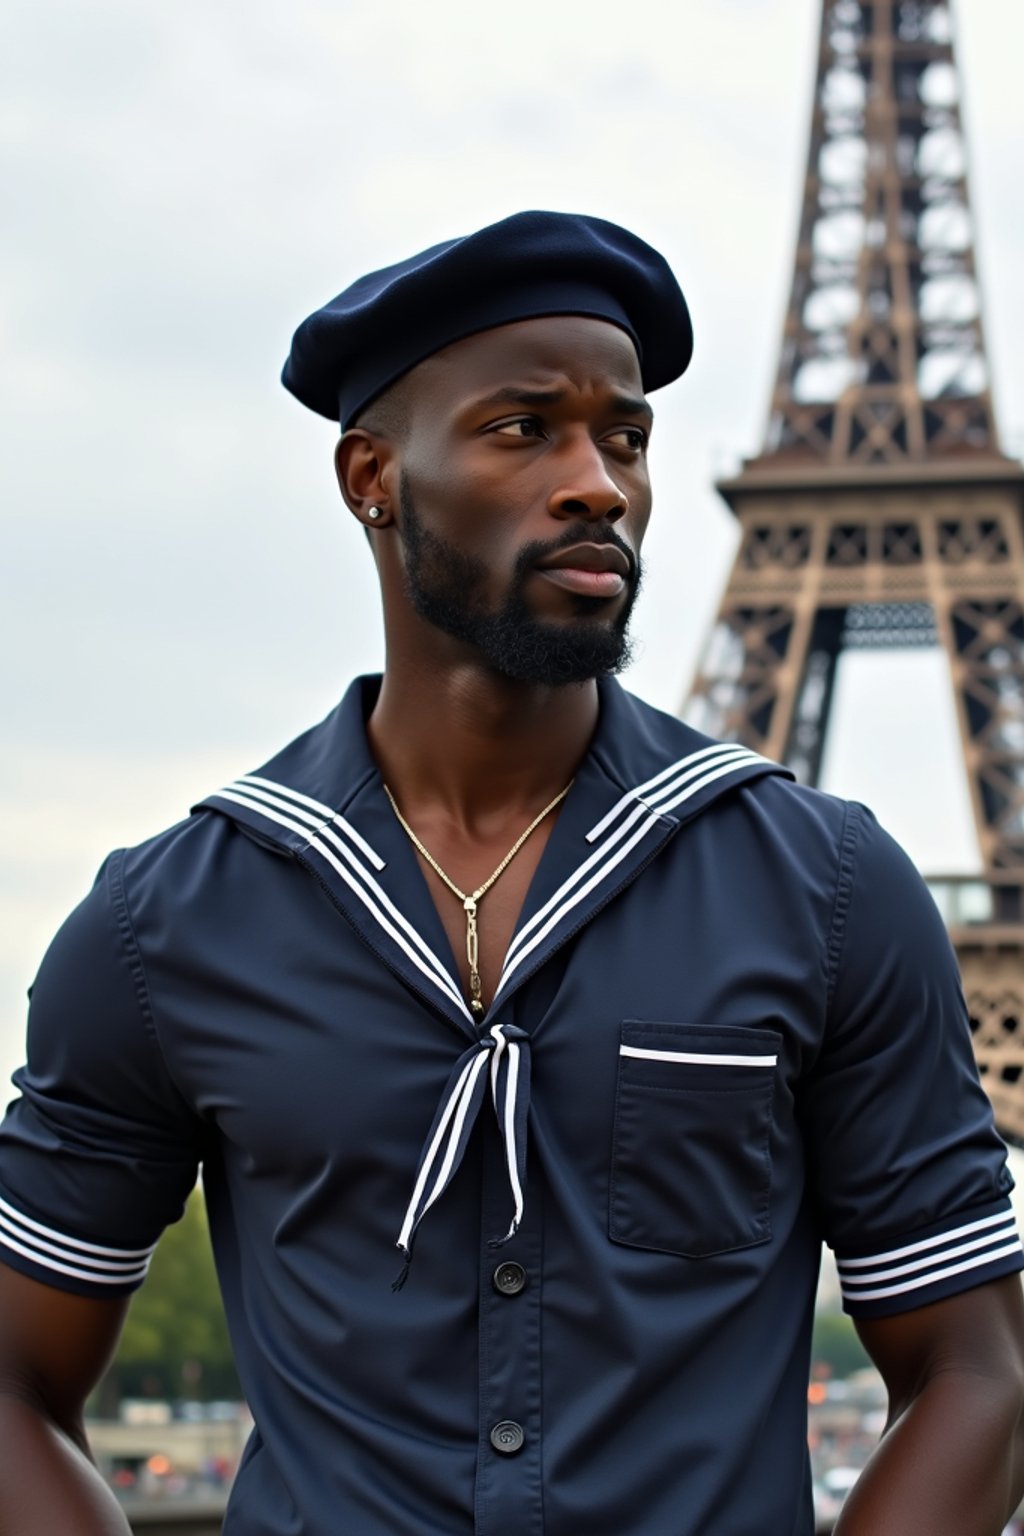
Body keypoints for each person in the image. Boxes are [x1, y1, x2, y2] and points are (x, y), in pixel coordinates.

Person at [0, 210, 1022, 1536]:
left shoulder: (827, 891)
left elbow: (978, 1372)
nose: (597, 479)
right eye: (524, 427)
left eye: (627, 434)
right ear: (372, 473)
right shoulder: (161, 927)